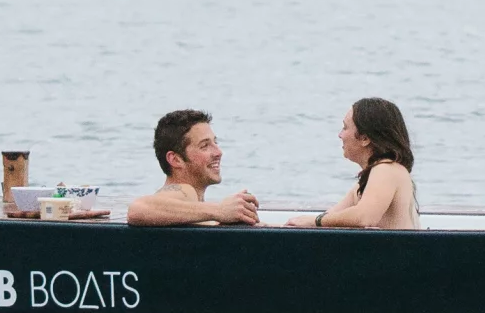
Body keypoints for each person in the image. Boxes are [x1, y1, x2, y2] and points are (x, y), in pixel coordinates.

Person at [290, 97, 419, 229]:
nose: (340, 135)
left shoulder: (387, 169)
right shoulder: (364, 184)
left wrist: (316, 220)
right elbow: (328, 219)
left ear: (365, 138)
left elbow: (364, 217)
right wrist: (272, 226)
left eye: (345, 128)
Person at [126, 109, 261, 226]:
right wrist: (219, 210)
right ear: (175, 159)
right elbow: (139, 208)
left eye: (215, 142)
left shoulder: (189, 208)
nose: (218, 152)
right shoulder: (184, 191)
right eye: (204, 146)